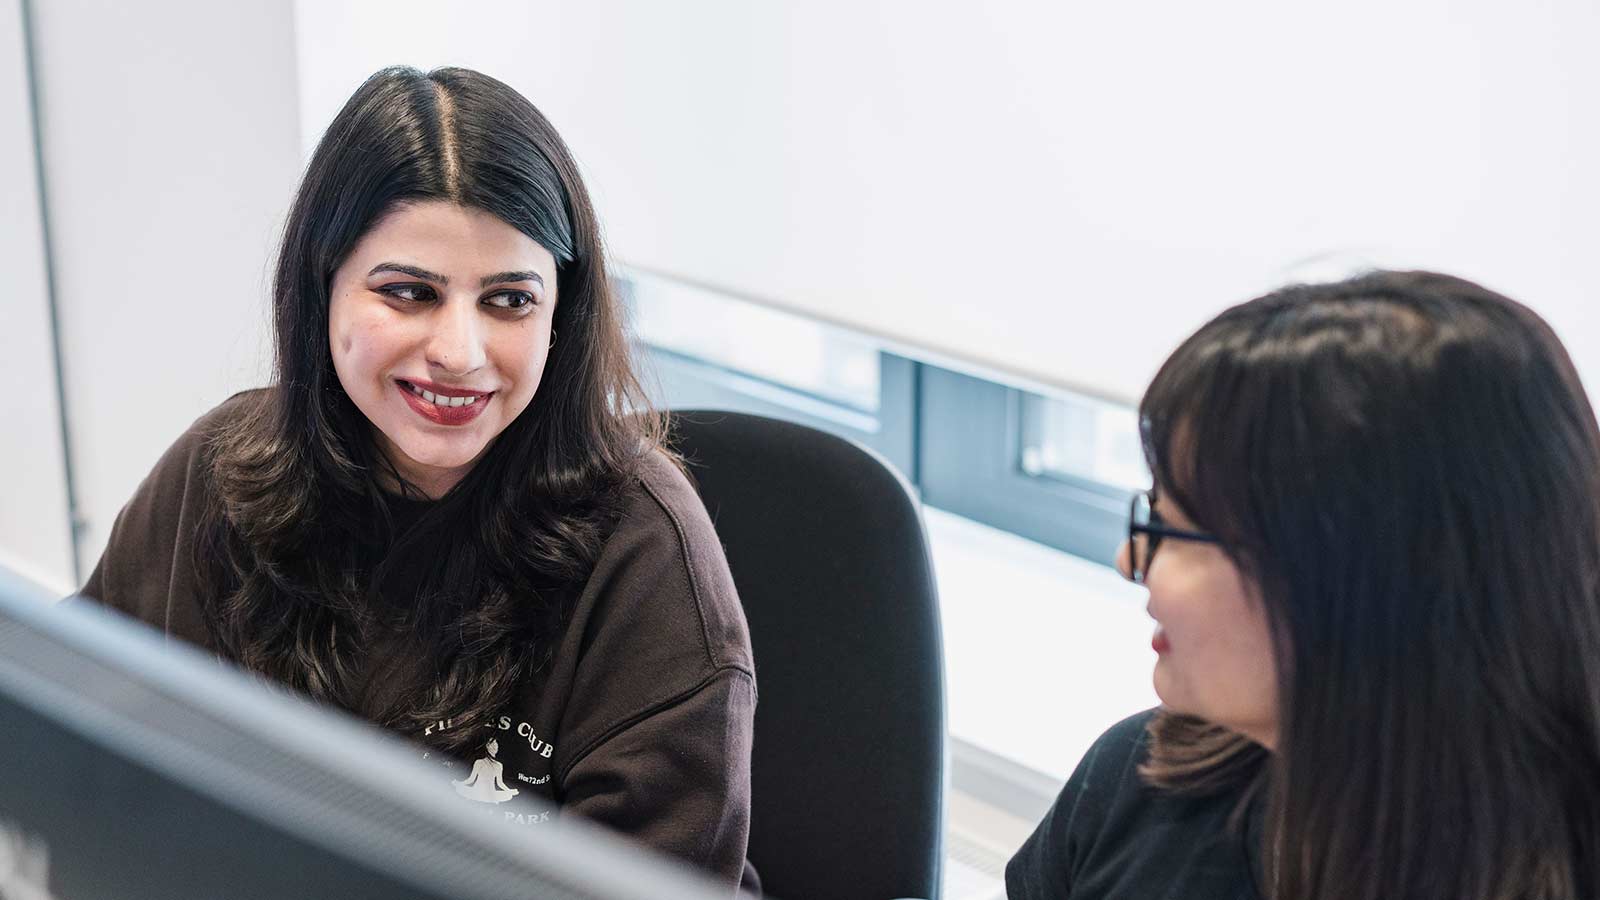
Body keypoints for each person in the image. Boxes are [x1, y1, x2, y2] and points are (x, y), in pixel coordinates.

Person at [80, 66, 757, 891]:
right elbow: (73, 738)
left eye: (509, 301)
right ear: (322, 287)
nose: (459, 353)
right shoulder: (218, 474)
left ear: (559, 318)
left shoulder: (644, 553)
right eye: (408, 292)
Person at [1006, 271, 1600, 900]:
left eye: (1178, 531)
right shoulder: (1143, 781)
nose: (1130, 561)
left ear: (1358, 583)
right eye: (1152, 513)